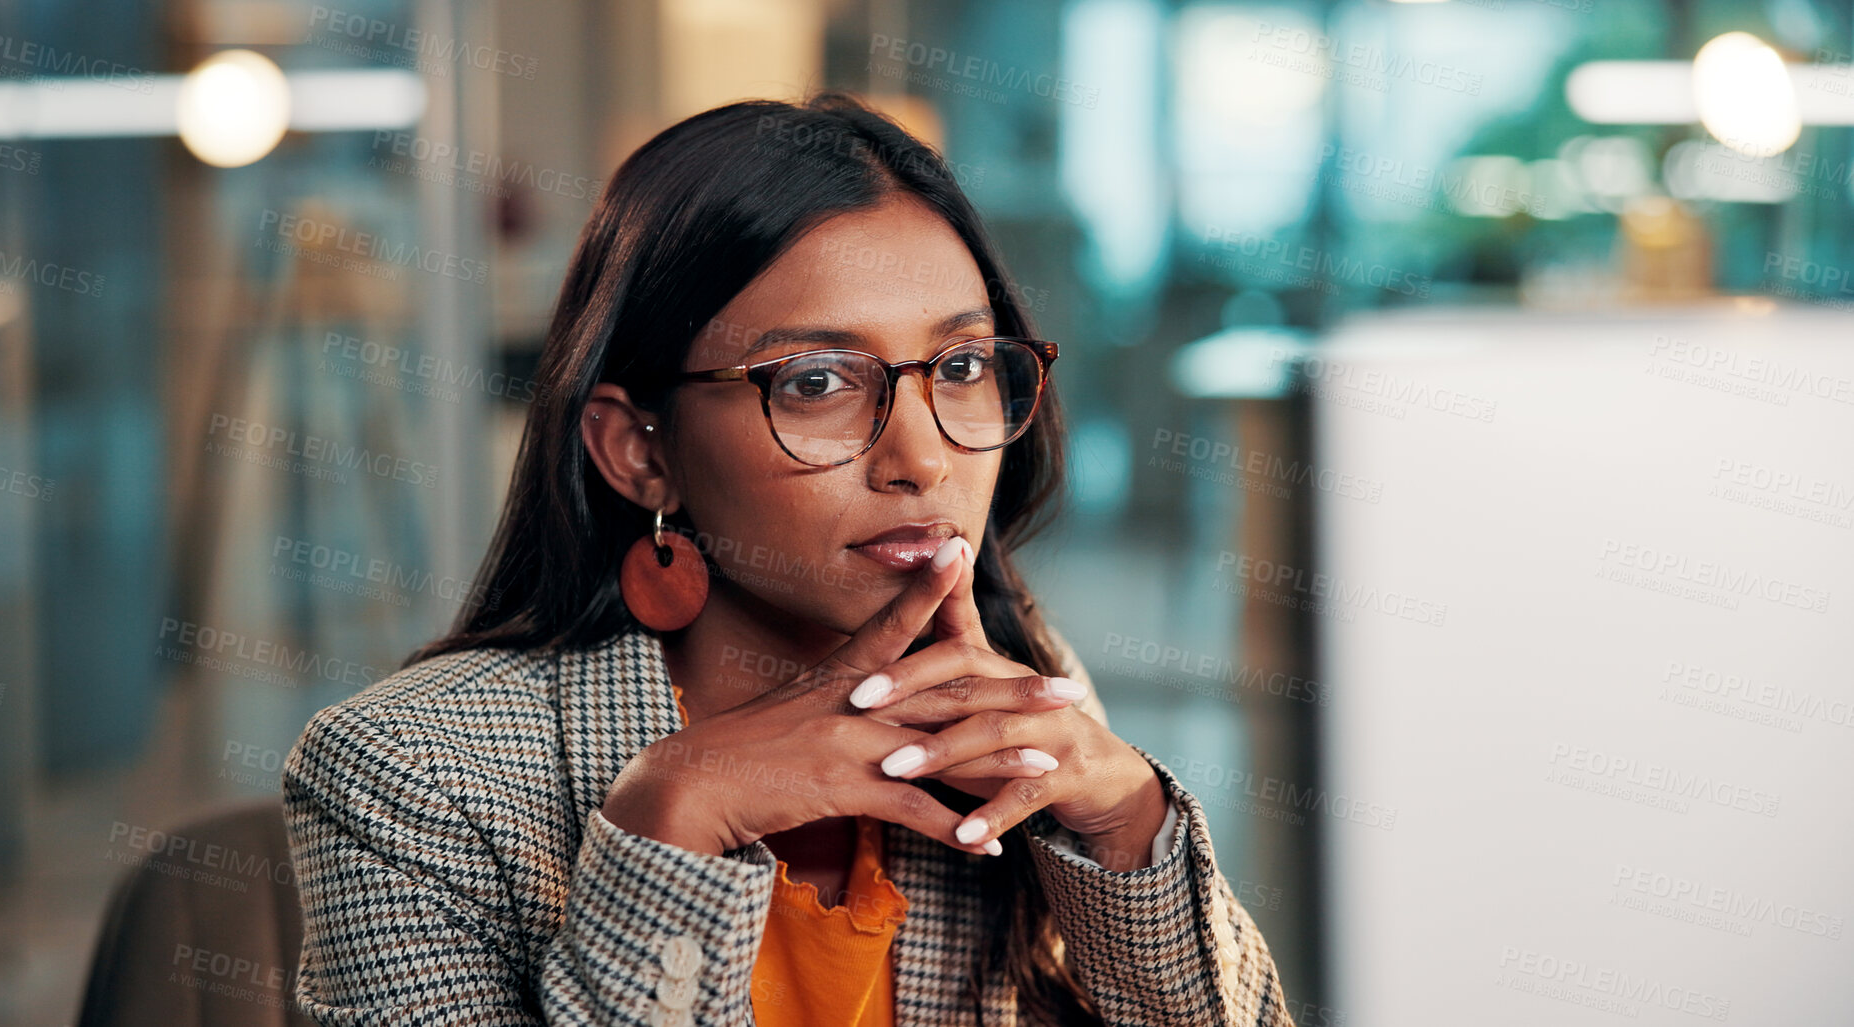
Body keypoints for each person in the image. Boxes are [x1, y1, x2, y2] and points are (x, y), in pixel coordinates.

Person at [282, 92, 1293, 1027]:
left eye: (965, 365)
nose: (923, 456)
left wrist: (1128, 824)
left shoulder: (1014, 686)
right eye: (815, 381)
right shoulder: (407, 776)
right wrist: (670, 818)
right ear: (642, 449)